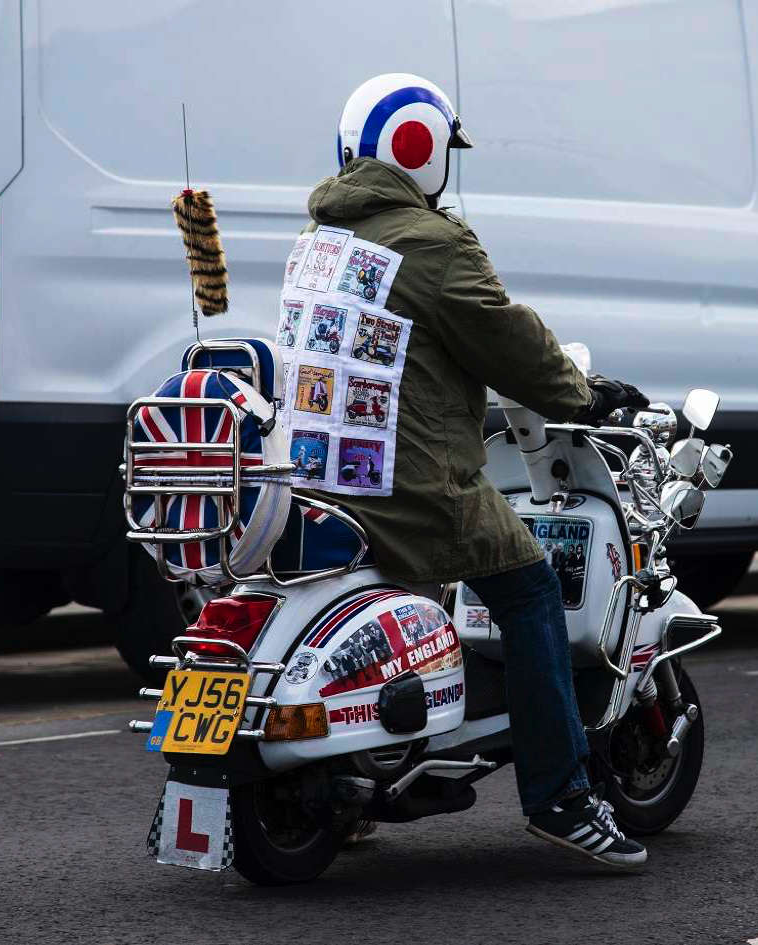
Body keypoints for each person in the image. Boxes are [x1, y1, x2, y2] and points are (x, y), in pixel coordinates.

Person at [276, 74, 650, 868]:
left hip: (318, 477)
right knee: (529, 585)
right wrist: (583, 393)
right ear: (419, 148)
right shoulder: (432, 242)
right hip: (410, 489)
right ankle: (562, 796)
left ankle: (366, 776)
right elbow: (506, 338)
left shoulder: (320, 236)